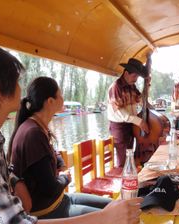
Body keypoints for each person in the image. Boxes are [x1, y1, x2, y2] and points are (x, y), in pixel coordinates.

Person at [0, 45, 142, 223]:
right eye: (17, 82)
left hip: (60, 200)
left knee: (120, 206)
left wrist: (14, 179)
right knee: (115, 216)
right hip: (48, 209)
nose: (21, 89)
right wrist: (104, 218)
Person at [7, 76, 113, 219]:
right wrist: (65, 178)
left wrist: (61, 164)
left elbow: (50, 152)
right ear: (50, 101)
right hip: (48, 211)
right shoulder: (33, 133)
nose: (63, 99)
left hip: (62, 200)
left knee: (113, 205)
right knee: (110, 217)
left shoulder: (37, 126)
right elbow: (50, 189)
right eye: (60, 95)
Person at [107, 58, 149, 167]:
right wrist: (139, 121)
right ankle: (122, 180)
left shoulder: (132, 86)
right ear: (126, 73)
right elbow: (120, 111)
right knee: (123, 159)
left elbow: (140, 99)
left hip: (131, 124)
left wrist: (147, 86)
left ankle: (129, 177)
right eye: (134, 76)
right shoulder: (116, 87)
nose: (135, 79)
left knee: (130, 155)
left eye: (137, 77)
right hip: (119, 127)